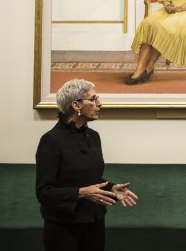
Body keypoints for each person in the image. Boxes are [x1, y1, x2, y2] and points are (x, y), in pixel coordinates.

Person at [36, 79, 138, 251]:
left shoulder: (93, 136)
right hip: (63, 226)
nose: (99, 104)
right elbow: (44, 192)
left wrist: (111, 188)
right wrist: (81, 193)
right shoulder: (51, 140)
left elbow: (91, 179)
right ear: (76, 105)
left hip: (94, 222)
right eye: (93, 99)